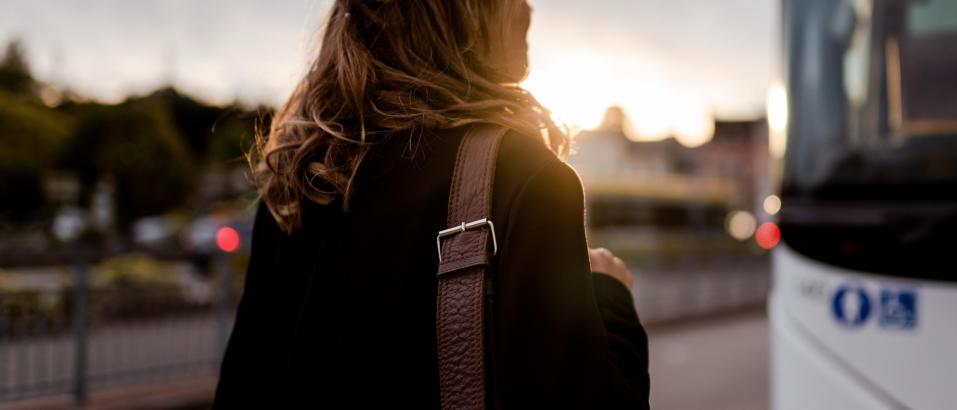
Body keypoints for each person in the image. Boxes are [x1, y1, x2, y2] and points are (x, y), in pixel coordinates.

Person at [213, 0, 650, 408]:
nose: (528, 8)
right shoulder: (524, 178)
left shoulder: (297, 178)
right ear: (460, 11)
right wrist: (610, 299)